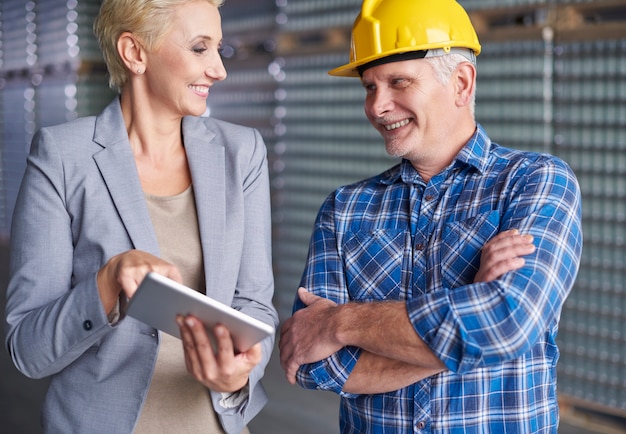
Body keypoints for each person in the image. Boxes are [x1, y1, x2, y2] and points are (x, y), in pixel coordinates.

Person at [279, 0, 583, 432]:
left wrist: (341, 322)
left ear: (460, 82)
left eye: (398, 82)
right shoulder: (344, 209)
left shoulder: (535, 182)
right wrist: (469, 309)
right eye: (369, 87)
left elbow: (508, 323)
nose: (377, 107)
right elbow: (312, 363)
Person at [4, 0, 278, 433]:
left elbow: (255, 304)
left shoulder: (241, 153)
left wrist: (237, 377)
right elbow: (28, 351)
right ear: (134, 53)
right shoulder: (61, 157)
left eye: (218, 49)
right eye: (199, 48)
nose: (219, 70)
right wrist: (107, 282)